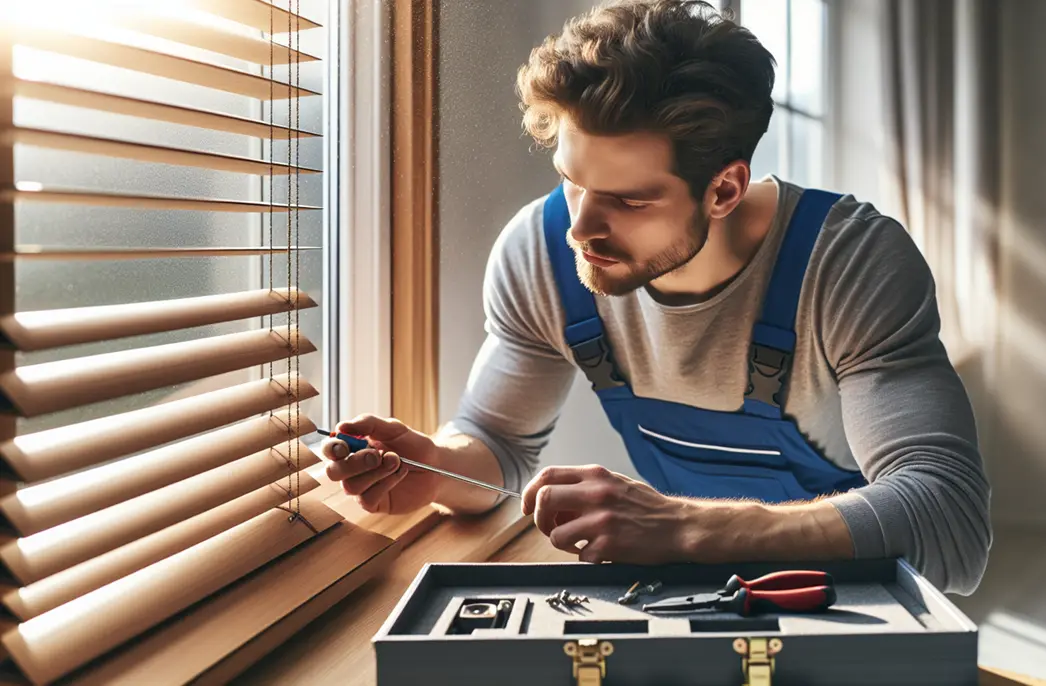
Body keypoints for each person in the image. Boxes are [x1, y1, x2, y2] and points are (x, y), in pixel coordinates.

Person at [319, 0, 992, 594]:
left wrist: (683, 526)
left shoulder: (849, 263)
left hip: (841, 605)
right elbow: (496, 440)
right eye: (570, 181)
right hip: (684, 598)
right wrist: (436, 468)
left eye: (628, 199)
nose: (580, 226)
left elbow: (948, 524)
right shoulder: (542, 252)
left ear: (725, 190)